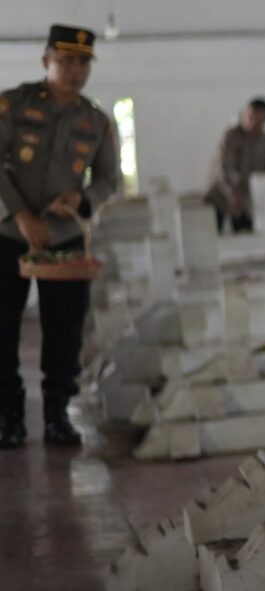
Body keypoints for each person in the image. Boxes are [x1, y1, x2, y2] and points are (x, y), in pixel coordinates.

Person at [0, 24, 120, 448]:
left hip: (66, 237)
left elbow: (110, 179)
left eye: (83, 62)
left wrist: (82, 199)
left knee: (65, 331)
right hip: (9, 234)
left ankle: (57, 416)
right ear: (46, 60)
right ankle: (8, 417)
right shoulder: (13, 106)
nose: (75, 70)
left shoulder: (96, 120)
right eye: (66, 60)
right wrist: (19, 215)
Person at [205, 97, 265, 234]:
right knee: (211, 234)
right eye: (250, 117)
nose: (252, 122)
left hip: (245, 199)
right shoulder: (231, 135)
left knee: (246, 235)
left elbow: (263, 170)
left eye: (258, 119)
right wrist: (231, 191)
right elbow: (224, 166)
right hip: (220, 194)